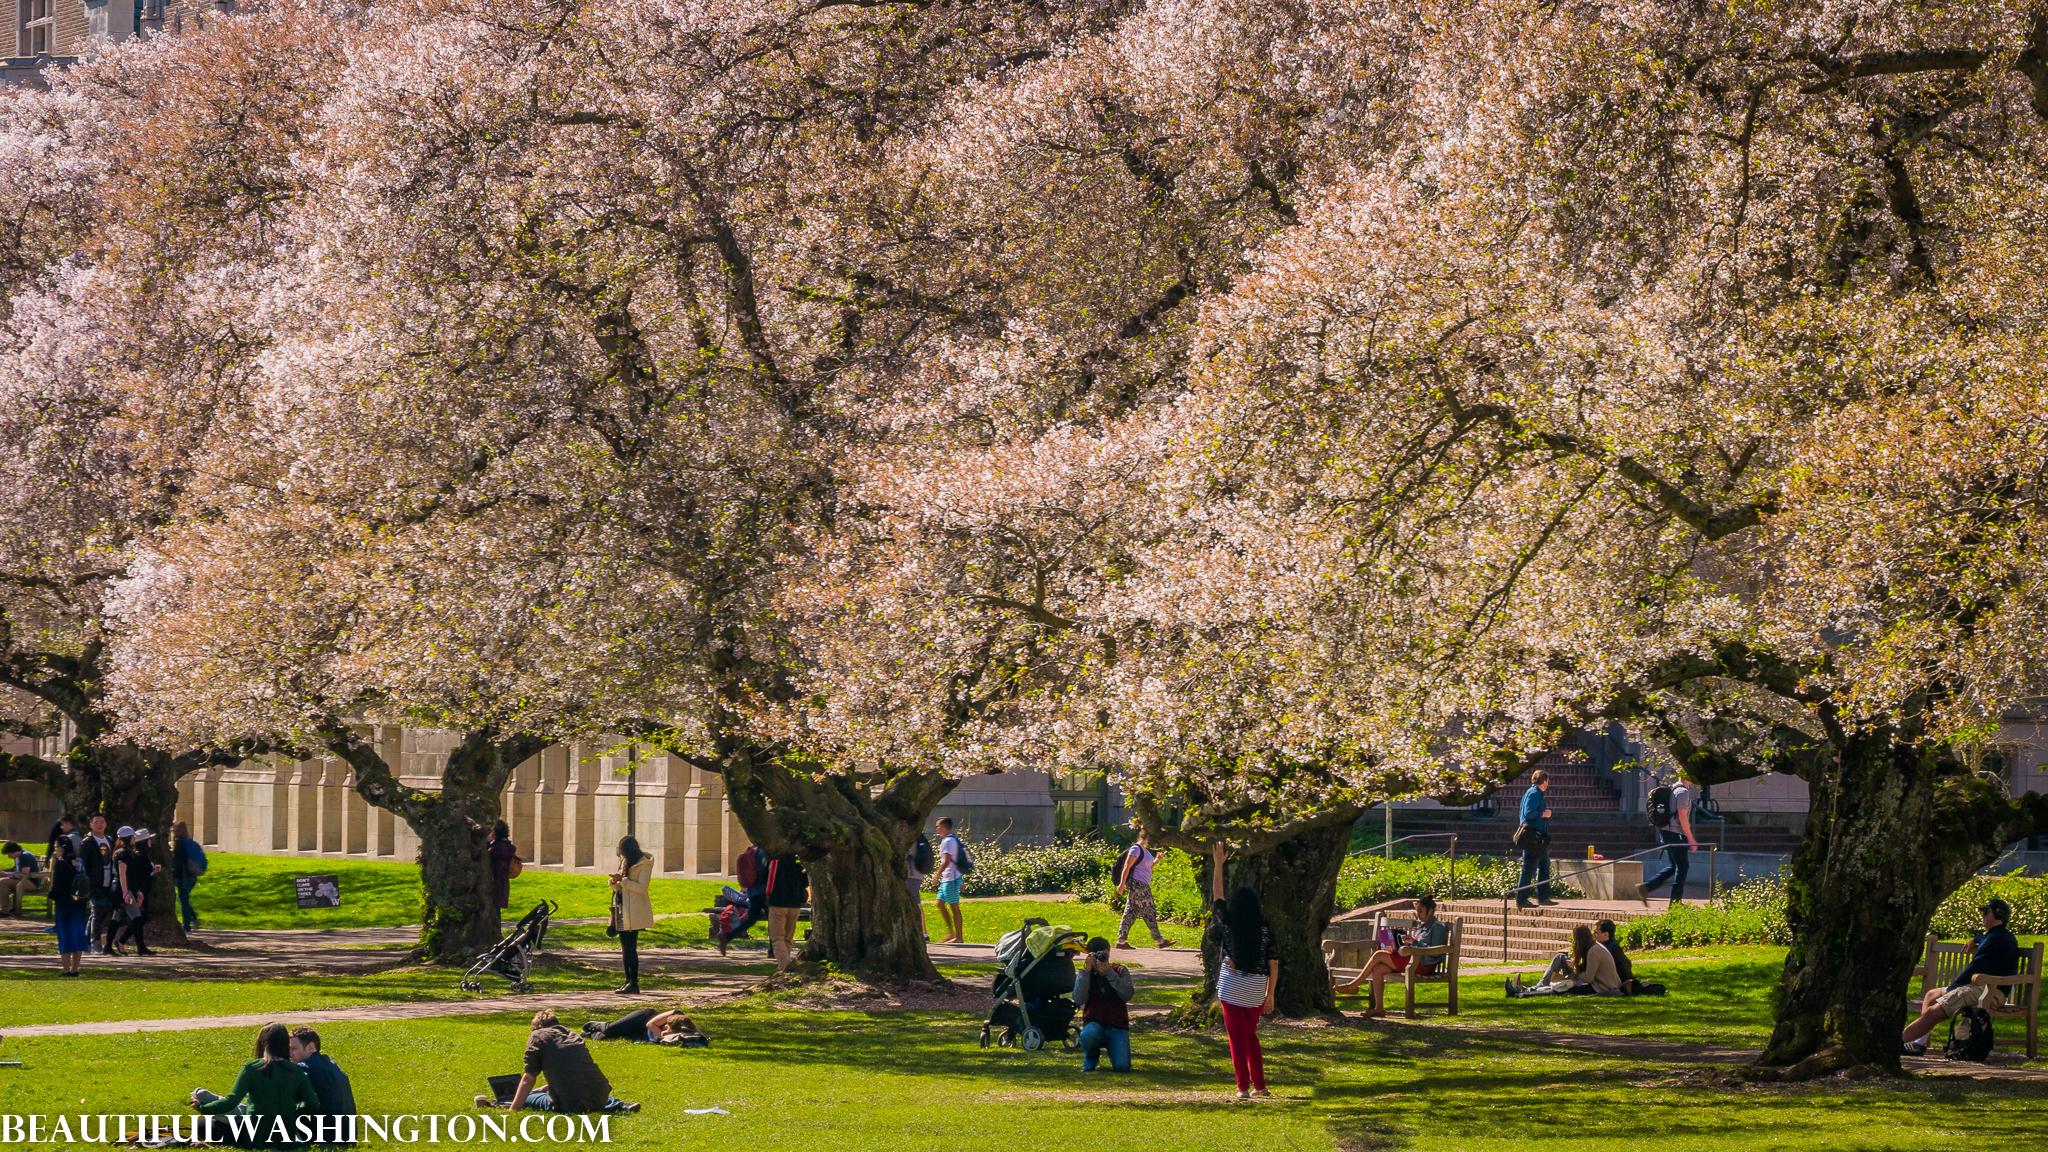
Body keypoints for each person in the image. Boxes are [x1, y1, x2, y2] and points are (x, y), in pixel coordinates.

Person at [1902, 898, 2021, 1055]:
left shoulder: (1997, 939)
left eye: (1986, 912)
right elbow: (1987, 939)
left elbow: (1975, 968)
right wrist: (1976, 938)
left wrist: (1953, 988)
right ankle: (1920, 1044)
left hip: (1989, 991)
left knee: (1933, 1012)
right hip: (1979, 987)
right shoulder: (1999, 936)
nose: (1982, 916)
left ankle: (1894, 1043)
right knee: (1931, 995)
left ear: (1999, 914)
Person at [1208, 844, 1276, 1100]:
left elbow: (1218, 897)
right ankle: (1261, 1085)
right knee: (1251, 1036)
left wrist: (1218, 865)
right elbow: (1274, 962)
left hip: (1231, 987)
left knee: (1236, 1039)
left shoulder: (1228, 924)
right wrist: (1270, 994)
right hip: (1257, 989)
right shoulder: (1265, 928)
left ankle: (1243, 1088)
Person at [475, 1009, 637, 1113]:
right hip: (600, 1094)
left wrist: (514, 1109)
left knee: (531, 1097)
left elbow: (528, 1078)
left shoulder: (537, 1036)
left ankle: (497, 1103)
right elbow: (571, 1070)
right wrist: (546, 1087)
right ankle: (619, 1105)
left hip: (569, 1103)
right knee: (585, 1094)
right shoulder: (571, 1034)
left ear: (535, 1028)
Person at [192, 1022, 320, 1146]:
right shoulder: (296, 1071)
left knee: (203, 1125)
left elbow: (231, 1101)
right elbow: (313, 1104)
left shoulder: (252, 1069)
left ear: (262, 1043)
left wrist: (202, 1108)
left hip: (257, 1140)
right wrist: (292, 1108)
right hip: (288, 1141)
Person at [1335, 895, 1450, 1018]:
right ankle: (1378, 1008)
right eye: (1417, 911)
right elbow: (1416, 945)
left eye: (1420, 911)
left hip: (1423, 964)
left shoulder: (1437, 927)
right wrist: (1403, 943)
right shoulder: (1422, 926)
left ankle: (1354, 985)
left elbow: (1435, 951)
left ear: (1430, 911)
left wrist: (1414, 943)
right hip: (1411, 959)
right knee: (1378, 969)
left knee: (1379, 954)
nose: (1418, 915)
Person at [1074, 935, 1135, 1072]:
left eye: (1104, 955)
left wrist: (1109, 973)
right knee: (1089, 1035)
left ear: (1109, 952)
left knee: (1122, 1067)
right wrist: (1086, 973)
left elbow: (1128, 994)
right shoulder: (1086, 974)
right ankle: (1091, 1056)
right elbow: (1078, 999)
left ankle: (1114, 1048)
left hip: (1117, 1025)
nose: (1100, 958)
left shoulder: (1120, 971)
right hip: (1094, 1023)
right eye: (1097, 955)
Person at [1507, 923, 1621, 996]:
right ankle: (1535, 988)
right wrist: (1577, 966)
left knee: (1561, 987)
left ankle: (1527, 991)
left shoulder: (1593, 952)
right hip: (1593, 982)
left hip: (1599, 986)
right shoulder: (1592, 947)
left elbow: (1588, 978)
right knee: (1560, 957)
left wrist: (1575, 973)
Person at [1635, 773, 1696, 905]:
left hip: (1666, 833)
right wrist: (1690, 838)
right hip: (1676, 834)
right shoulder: (1683, 792)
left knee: (1674, 866)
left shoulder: (1673, 789)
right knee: (1683, 866)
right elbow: (1682, 816)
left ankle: (1646, 887)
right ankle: (1675, 904)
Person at [289, 1027, 356, 1143]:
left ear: (311, 1047)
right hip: (346, 1137)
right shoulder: (333, 1067)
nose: (289, 1054)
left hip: (321, 1138)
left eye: (294, 1049)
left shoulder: (305, 1069)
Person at [1113, 829, 1176, 951]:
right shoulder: (1136, 849)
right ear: (1147, 836)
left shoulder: (1145, 850)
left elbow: (1147, 868)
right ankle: (1160, 940)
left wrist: (1157, 860)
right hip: (1137, 884)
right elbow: (1127, 866)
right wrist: (1121, 884)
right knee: (1149, 910)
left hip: (1142, 884)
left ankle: (1121, 941)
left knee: (1130, 913)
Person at [609, 836, 653, 994]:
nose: (622, 855)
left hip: (634, 910)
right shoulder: (625, 861)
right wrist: (614, 882)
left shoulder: (644, 865)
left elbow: (642, 888)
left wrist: (623, 881)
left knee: (630, 947)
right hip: (621, 907)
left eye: (624, 851)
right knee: (624, 948)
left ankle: (634, 982)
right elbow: (620, 887)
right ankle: (627, 980)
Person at [115, 827, 160, 956]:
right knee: (138, 918)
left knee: (140, 918)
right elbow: (137, 875)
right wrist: (137, 892)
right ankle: (126, 942)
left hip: (140, 891)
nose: (151, 841)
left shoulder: (142, 857)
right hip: (139, 892)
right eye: (149, 839)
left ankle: (134, 944)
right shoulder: (139, 857)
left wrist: (152, 871)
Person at [1594, 919, 1665, 997]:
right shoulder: (1606, 946)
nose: (1594, 935)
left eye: (1596, 932)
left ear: (1606, 934)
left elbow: (1623, 968)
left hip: (1619, 984)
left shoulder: (1613, 949)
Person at [1516, 769, 1555, 909]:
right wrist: (1544, 814)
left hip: (1538, 839)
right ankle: (1521, 900)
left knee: (1544, 866)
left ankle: (1543, 897)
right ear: (1544, 781)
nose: (1547, 784)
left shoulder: (1533, 792)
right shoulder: (1534, 794)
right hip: (1533, 839)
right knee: (1528, 869)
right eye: (1547, 781)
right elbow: (1529, 813)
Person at [49, 837, 87, 976]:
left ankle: (66, 970)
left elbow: (57, 886)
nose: (55, 850)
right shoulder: (79, 862)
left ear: (62, 848)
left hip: (64, 903)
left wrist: (51, 895)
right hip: (79, 902)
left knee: (65, 935)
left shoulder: (60, 863)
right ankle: (75, 969)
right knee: (78, 934)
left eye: (56, 847)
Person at [766, 850, 808, 973]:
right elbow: (805, 881)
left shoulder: (776, 858)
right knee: (787, 938)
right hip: (795, 903)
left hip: (778, 901)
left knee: (777, 938)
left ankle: (785, 967)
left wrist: (768, 894)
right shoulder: (799, 859)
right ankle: (783, 964)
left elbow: (771, 878)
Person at [80, 814, 115, 954]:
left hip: (108, 880)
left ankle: (86, 943)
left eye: (102, 822)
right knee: (97, 912)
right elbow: (82, 864)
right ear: (91, 825)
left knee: (97, 912)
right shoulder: (87, 842)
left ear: (106, 824)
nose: (99, 825)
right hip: (94, 882)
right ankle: (96, 942)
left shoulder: (110, 840)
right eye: (96, 822)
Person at [579, 1007, 702, 1043]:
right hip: (642, 1020)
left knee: (605, 1038)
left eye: (667, 1029)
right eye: (666, 1026)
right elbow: (651, 1024)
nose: (664, 1027)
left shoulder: (682, 1036)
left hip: (642, 1035)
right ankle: (598, 1025)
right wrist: (663, 1036)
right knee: (609, 1030)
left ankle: (590, 1034)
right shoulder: (676, 1014)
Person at [171, 821, 208, 931]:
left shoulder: (179, 844)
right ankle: (194, 919)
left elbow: (177, 863)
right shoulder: (189, 842)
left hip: (183, 876)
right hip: (192, 875)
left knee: (183, 901)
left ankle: (186, 925)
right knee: (183, 899)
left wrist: (173, 875)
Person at [934, 817, 966, 945]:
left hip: (951, 878)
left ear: (944, 826)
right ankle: (951, 933)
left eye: (938, 826)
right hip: (948, 878)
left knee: (954, 906)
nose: (937, 829)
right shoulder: (951, 840)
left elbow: (947, 861)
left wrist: (936, 874)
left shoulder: (948, 841)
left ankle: (959, 937)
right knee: (940, 904)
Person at [0, 840, 47, 916]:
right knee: (2, 882)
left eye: (8, 854)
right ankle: (11, 908)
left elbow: (24, 874)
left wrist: (6, 874)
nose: (8, 856)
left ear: (13, 851)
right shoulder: (18, 857)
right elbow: (15, 871)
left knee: (2, 882)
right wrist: (4, 872)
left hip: (30, 883)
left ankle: (5, 911)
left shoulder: (25, 856)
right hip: (22, 881)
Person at [486, 820, 518, 916]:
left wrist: (487, 842)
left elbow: (485, 856)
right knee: (495, 910)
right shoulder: (504, 845)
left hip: (497, 882)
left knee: (494, 910)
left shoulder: (498, 847)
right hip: (500, 882)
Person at [906, 832, 931, 942]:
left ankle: (924, 933)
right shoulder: (918, 837)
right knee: (914, 902)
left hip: (911, 875)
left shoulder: (911, 838)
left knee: (916, 903)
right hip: (916, 874)